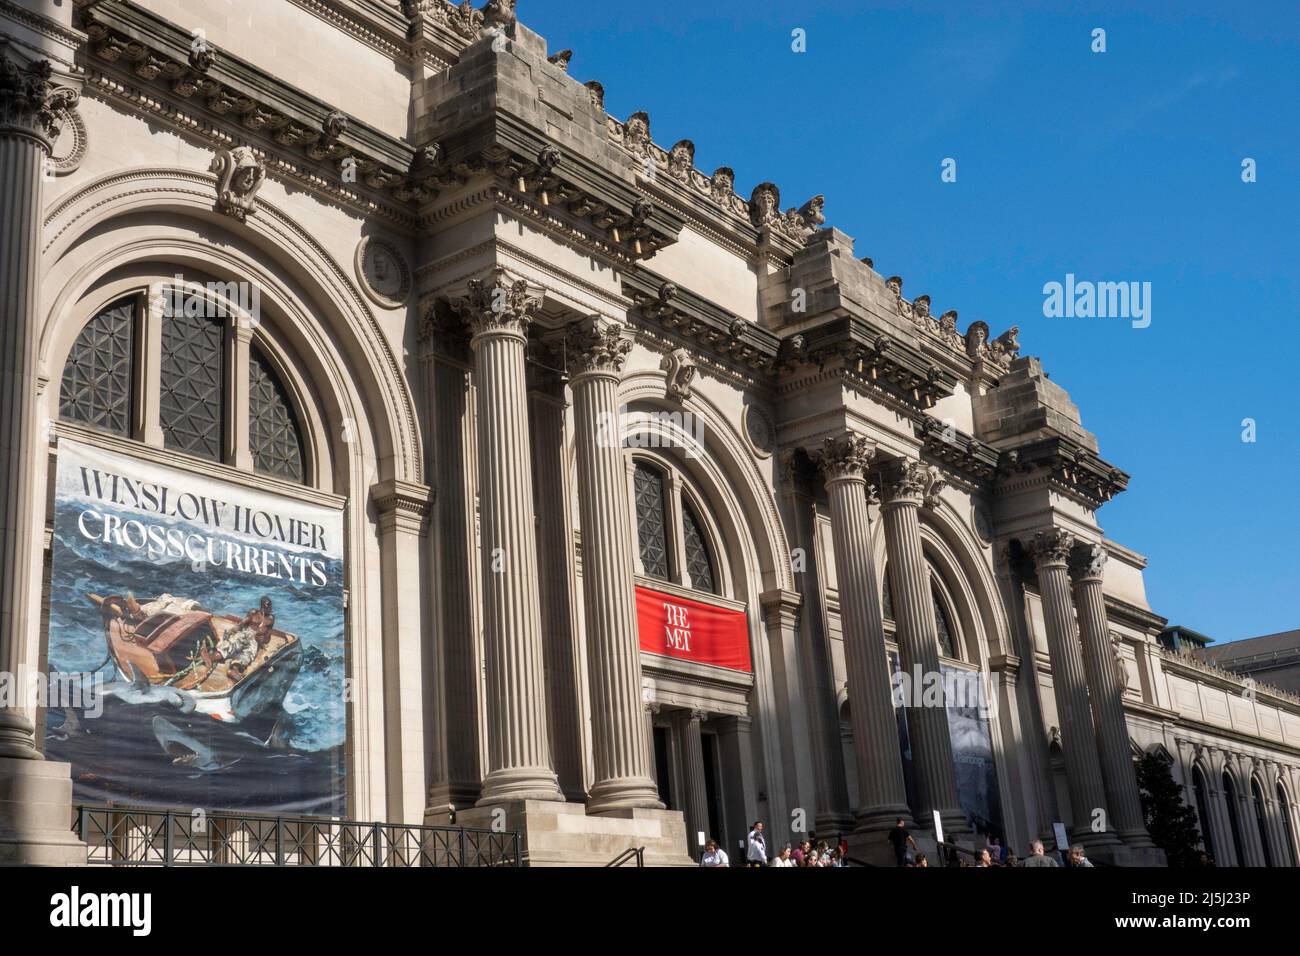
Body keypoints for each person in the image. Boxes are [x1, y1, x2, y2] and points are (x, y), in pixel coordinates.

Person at [205, 596, 275, 681]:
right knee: (232, 644)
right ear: (261, 606)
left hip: (255, 639)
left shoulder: (270, 619)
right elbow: (241, 625)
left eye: (269, 606)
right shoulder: (254, 613)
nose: (268, 608)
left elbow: (267, 638)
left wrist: (262, 640)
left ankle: (233, 670)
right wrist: (232, 631)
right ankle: (211, 657)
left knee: (247, 654)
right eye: (266, 606)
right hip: (245, 632)